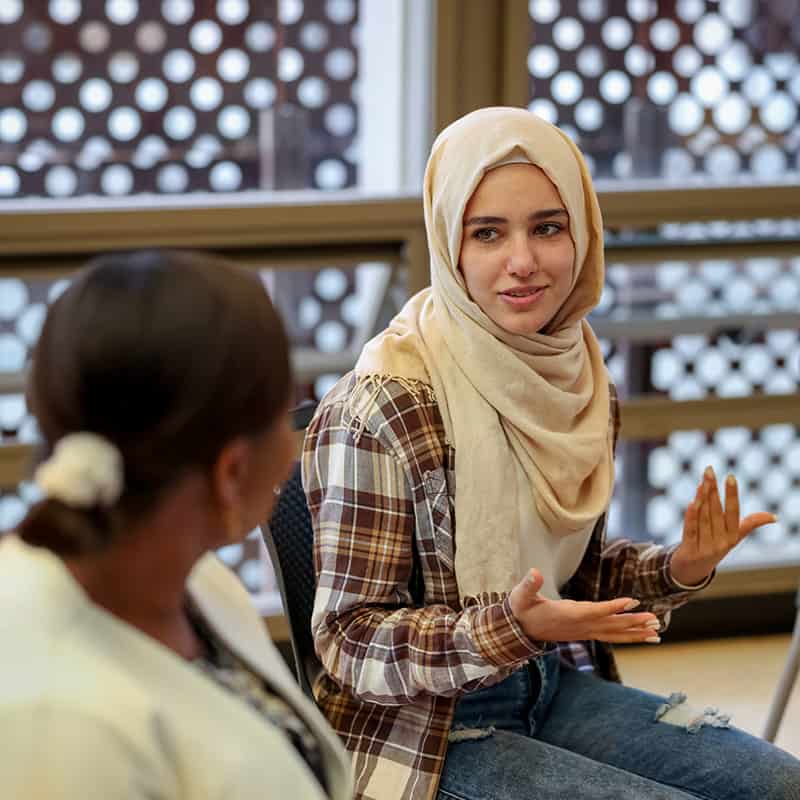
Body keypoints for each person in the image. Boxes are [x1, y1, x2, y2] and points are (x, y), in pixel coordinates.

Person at [301, 107, 800, 800]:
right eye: (487, 234)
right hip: (421, 732)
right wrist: (510, 627)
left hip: (545, 680)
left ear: (584, 233)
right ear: (450, 245)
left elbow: (573, 586)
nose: (523, 262)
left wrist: (680, 569)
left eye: (547, 227)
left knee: (781, 784)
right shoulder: (385, 406)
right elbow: (350, 642)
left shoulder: (575, 376)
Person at [0, 250, 353, 799]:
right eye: (286, 413)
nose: (293, 443)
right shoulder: (55, 722)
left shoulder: (195, 582)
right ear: (230, 472)